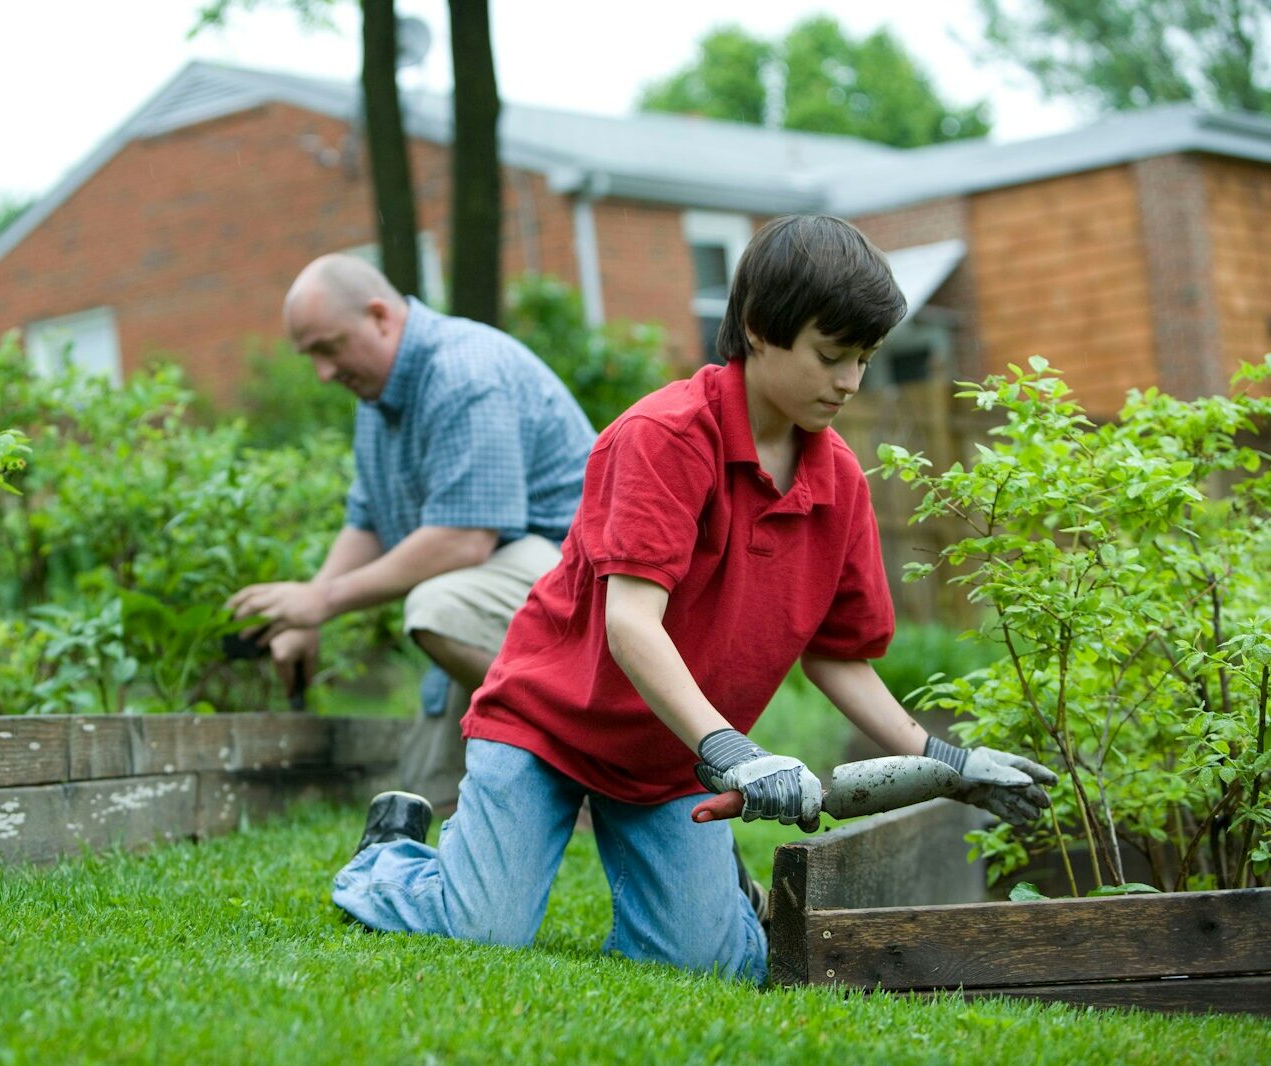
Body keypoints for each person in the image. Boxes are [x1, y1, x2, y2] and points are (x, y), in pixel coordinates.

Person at [330, 215, 1057, 984]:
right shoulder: (663, 437)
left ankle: (714, 899)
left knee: (706, 965)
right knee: (480, 929)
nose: (850, 382)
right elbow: (630, 624)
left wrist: (952, 763)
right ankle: (390, 857)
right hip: (547, 726)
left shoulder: (837, 481)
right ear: (756, 329)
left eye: (863, 360)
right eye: (830, 355)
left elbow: (838, 659)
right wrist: (735, 752)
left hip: (672, 756)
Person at [227, 254, 596, 807]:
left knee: (438, 607)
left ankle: (592, 762)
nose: (323, 373)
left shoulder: (462, 373)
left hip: (584, 594)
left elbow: (464, 539)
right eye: (311, 358)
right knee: (425, 795)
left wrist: (324, 600)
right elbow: (369, 519)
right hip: (504, 597)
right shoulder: (378, 398)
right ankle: (539, 775)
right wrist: (304, 613)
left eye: (328, 348)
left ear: (379, 316)